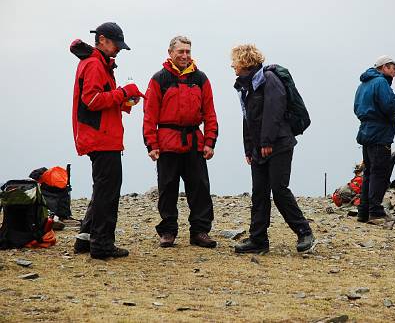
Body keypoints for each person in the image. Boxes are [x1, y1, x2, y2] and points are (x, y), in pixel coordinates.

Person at [230, 44, 315, 254]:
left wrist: (267, 142)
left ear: (244, 61)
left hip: (279, 144)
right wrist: (249, 148)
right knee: (259, 193)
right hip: (260, 147)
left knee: (279, 190)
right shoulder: (247, 86)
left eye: (235, 61)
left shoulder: (269, 80)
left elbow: (273, 112)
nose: (232, 65)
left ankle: (304, 232)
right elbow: (247, 119)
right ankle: (258, 239)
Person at [71, 22, 144, 259]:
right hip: (101, 138)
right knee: (107, 192)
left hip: (101, 136)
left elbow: (100, 101)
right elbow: (91, 100)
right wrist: (123, 92)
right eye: (116, 44)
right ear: (102, 40)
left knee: (102, 188)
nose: (119, 49)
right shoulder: (94, 64)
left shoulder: (98, 64)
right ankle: (102, 245)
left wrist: (125, 102)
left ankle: (85, 239)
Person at [143, 36, 218, 248]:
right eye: (180, 52)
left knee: (200, 188)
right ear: (170, 53)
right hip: (167, 143)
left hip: (194, 142)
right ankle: (168, 232)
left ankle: (200, 232)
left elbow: (210, 113)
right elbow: (149, 114)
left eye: (188, 51)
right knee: (167, 189)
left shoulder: (201, 79)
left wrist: (210, 141)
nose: (184, 55)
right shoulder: (159, 79)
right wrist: (151, 144)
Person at [353, 55, 395, 223]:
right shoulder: (381, 83)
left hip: (366, 132)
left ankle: (364, 212)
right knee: (380, 174)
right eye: (393, 67)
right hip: (380, 134)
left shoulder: (364, 84)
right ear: (384, 67)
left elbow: (357, 108)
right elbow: (390, 106)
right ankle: (375, 212)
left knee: (369, 172)